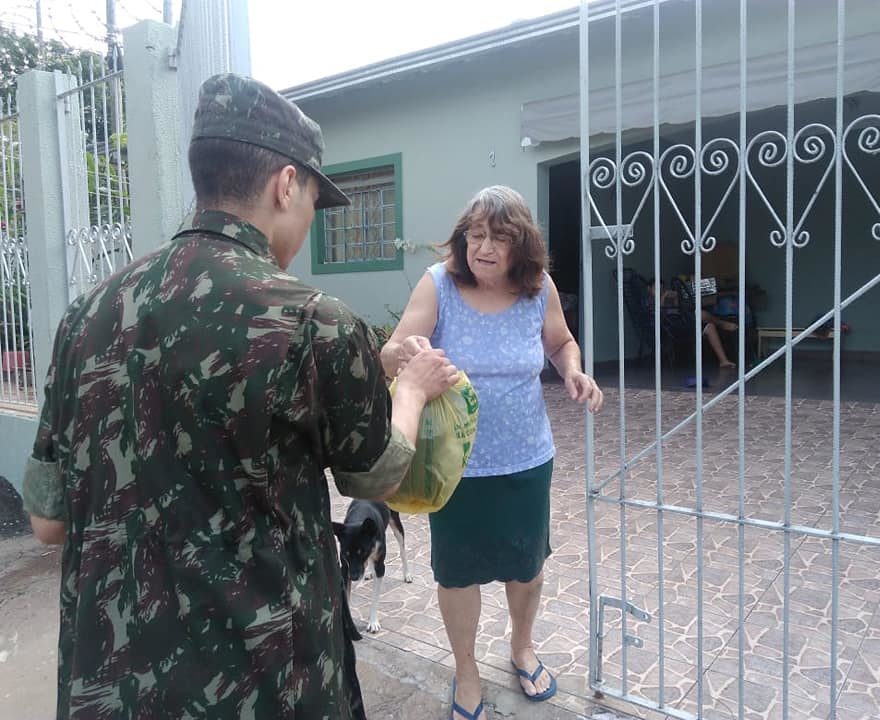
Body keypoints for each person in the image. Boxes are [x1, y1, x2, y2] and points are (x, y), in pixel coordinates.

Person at [21, 73, 458, 719]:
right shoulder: (313, 319)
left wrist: (372, 360)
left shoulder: (84, 316)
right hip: (270, 681)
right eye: (314, 201)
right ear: (286, 184)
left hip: (109, 683)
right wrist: (413, 391)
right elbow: (380, 475)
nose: (309, 221)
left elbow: (48, 521)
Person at [381, 185, 603, 720]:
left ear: (520, 245)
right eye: (475, 234)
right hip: (453, 465)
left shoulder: (538, 288)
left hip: (527, 458)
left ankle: (522, 647)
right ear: (462, 239)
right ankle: (466, 669)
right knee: (458, 572)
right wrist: (406, 353)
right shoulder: (439, 285)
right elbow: (390, 352)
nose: (483, 247)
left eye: (499, 237)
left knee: (526, 566)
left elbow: (559, 341)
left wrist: (572, 369)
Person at [654, 282, 736, 368]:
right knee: (700, 314)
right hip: (668, 329)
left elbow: (678, 312)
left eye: (662, 289)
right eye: (657, 289)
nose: (660, 291)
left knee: (708, 324)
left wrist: (675, 299)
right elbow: (658, 315)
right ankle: (722, 324)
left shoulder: (666, 300)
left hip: (681, 323)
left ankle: (724, 361)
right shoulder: (649, 300)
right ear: (649, 289)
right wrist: (663, 297)